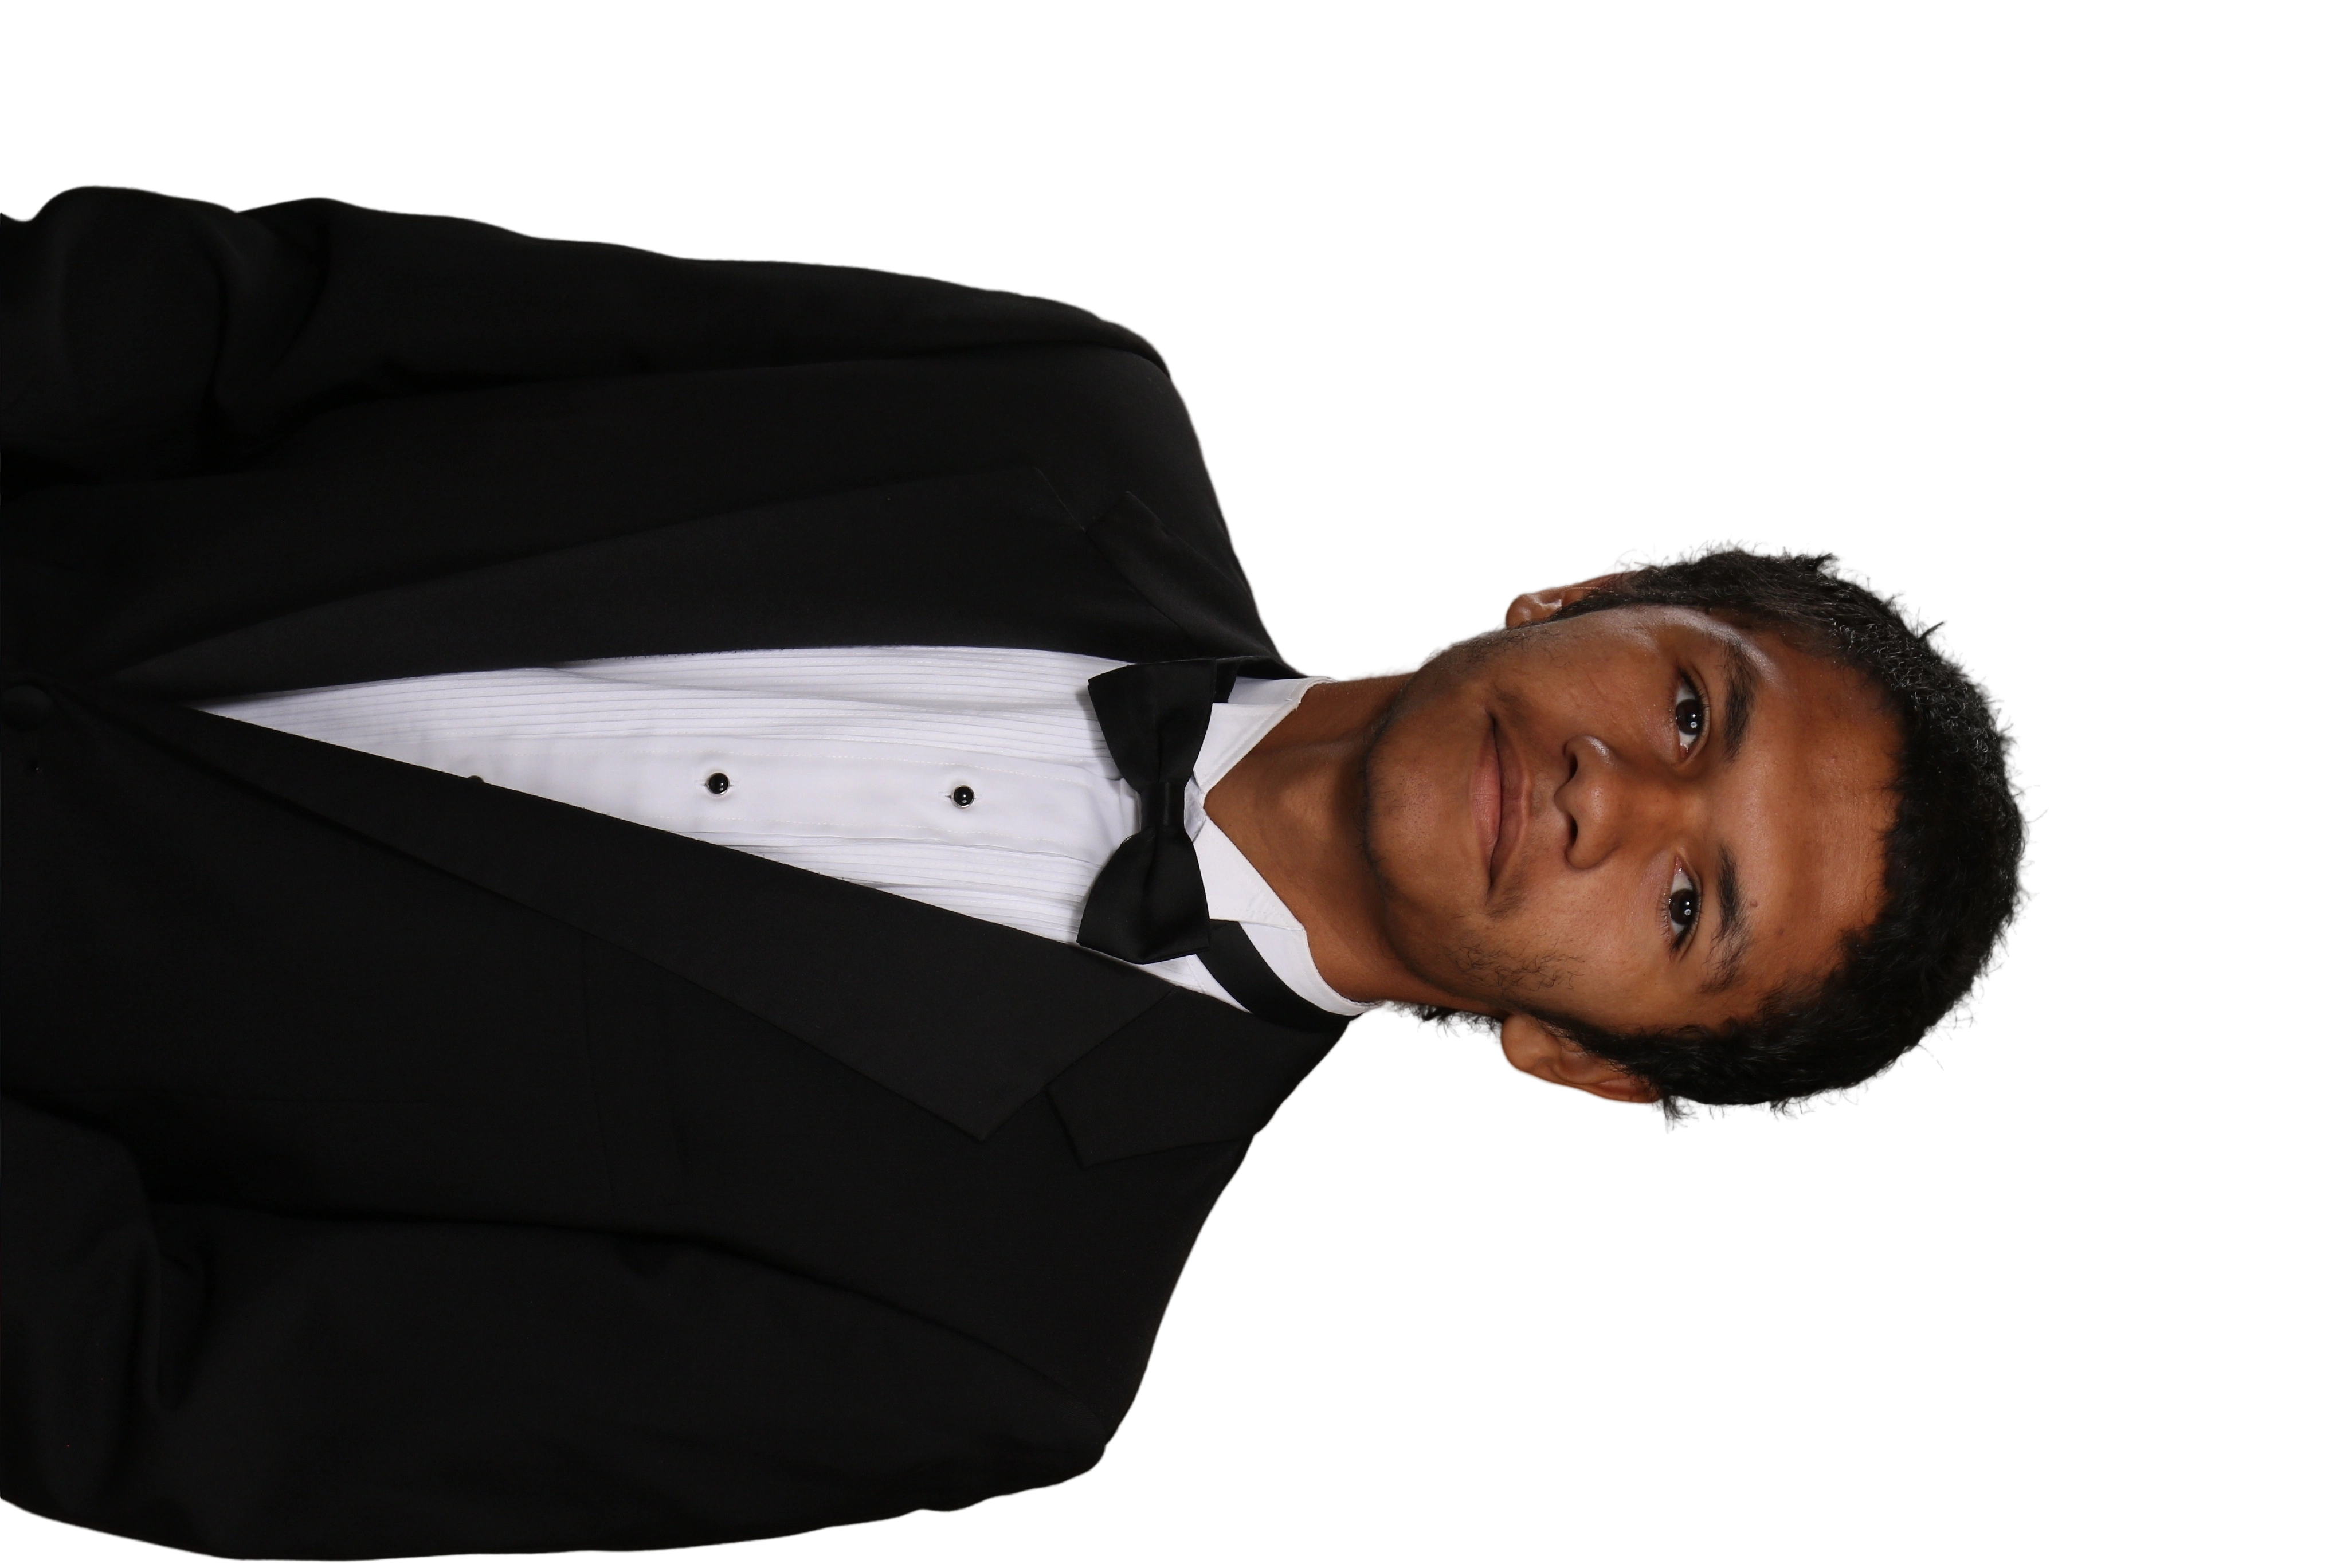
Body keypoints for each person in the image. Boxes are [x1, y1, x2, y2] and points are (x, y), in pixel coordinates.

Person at [0, 186, 2038, 1561]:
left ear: (1584, 1062)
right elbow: (299, 321)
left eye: (1689, 911)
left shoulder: (998, 1340)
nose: (1618, 802)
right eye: (1691, 709)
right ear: (1594, 591)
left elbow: (177, 1385)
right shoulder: (1061, 404)